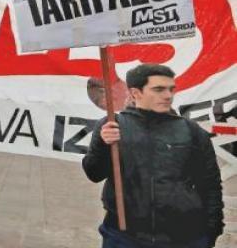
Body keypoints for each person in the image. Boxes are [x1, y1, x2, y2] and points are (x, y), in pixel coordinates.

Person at [83, 64, 224, 248]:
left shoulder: (191, 131)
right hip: (124, 237)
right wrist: (103, 144)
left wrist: (212, 231)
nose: (167, 96)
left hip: (185, 237)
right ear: (135, 93)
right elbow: (94, 173)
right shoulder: (112, 126)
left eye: (170, 89)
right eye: (158, 89)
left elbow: (210, 184)